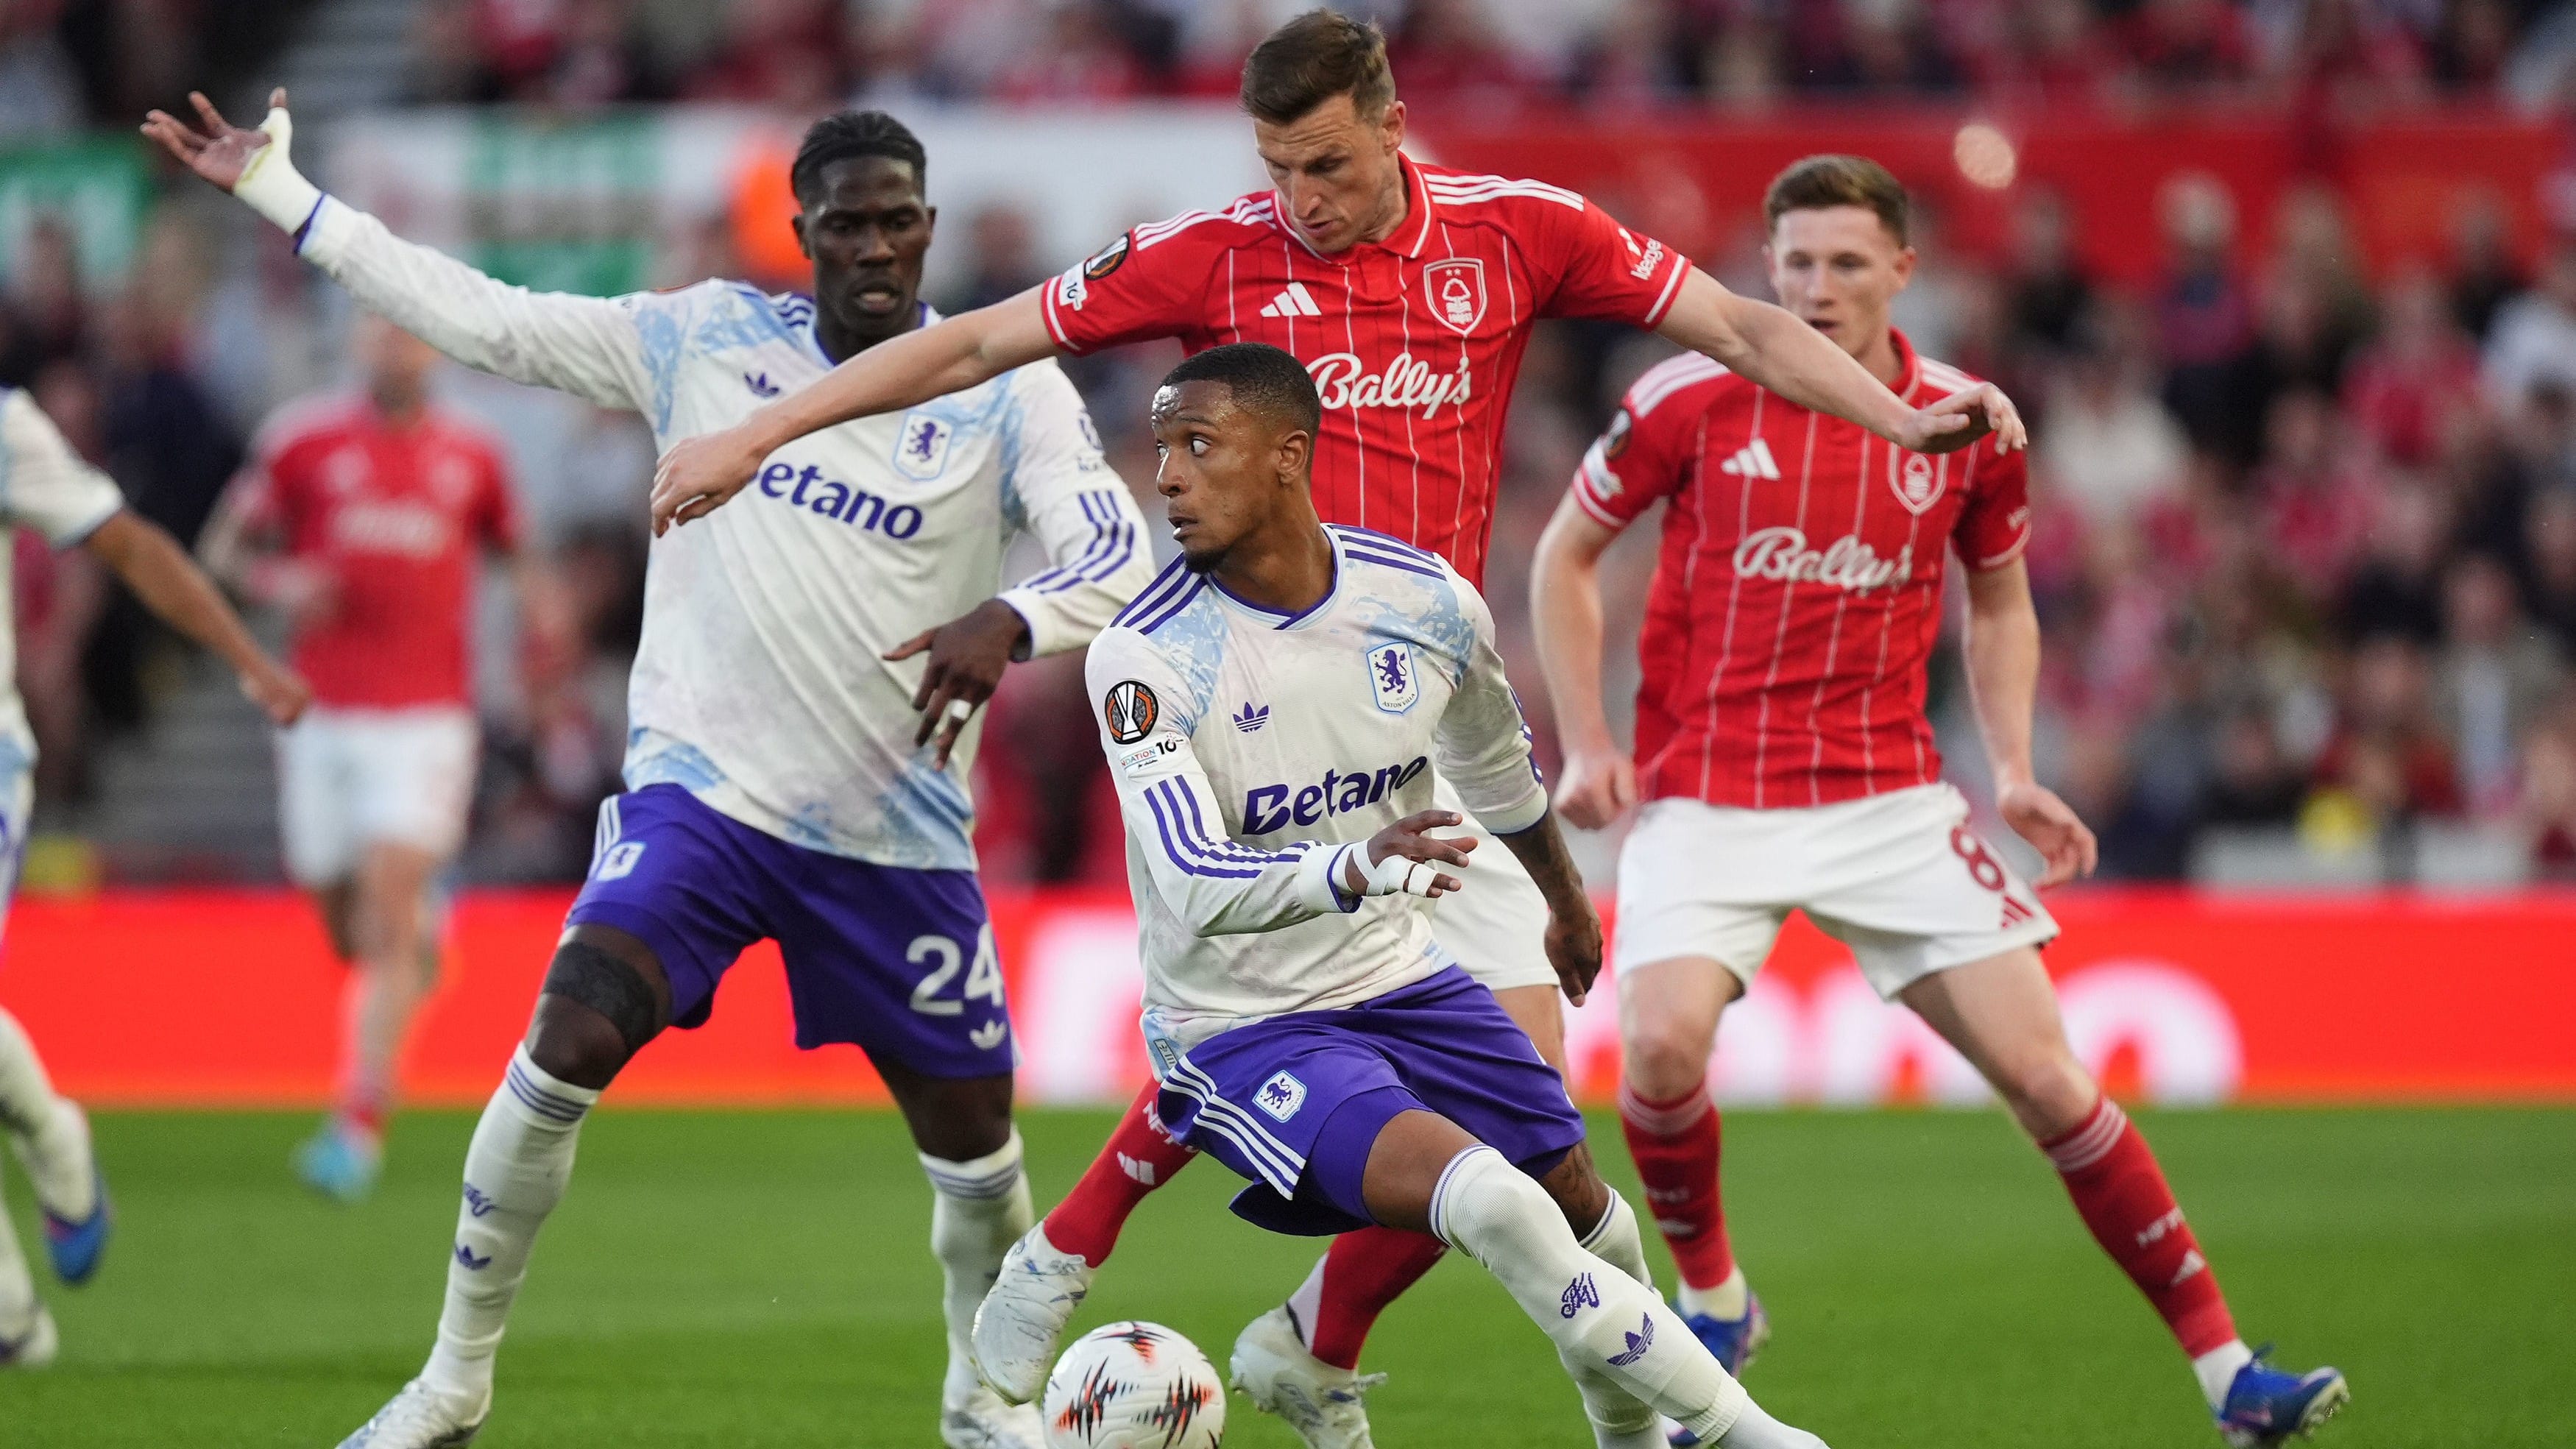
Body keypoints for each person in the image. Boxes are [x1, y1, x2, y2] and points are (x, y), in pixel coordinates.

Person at [645, 13, 2024, 1439]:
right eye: (1278, 166)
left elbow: (1737, 327)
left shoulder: (1518, 232)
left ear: (1388, 118)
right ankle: (1098, 1249)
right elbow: (978, 342)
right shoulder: (1214, 251)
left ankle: (1307, 1340)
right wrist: (760, 434)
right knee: (1283, 1033)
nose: (1302, 198)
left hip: (1418, 717)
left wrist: (1897, 422)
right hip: (1252, 719)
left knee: (1531, 1119)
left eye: (1326, 163)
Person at [146, 93, 1153, 1449]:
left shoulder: (1003, 385)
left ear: (927, 230)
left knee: (978, 1153)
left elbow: (1118, 556)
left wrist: (1013, 617)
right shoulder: (703, 339)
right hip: (708, 803)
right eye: (844, 222)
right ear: (801, 233)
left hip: (896, 831)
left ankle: (981, 1399)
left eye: (896, 222)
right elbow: (482, 316)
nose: (873, 246)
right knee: (563, 1041)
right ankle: (453, 1381)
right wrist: (284, 197)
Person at [1526, 155, 2349, 1449]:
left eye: (1847, 262)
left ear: (1904, 271)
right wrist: (1582, 740)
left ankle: (2230, 1370)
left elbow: (2003, 597)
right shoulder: (1690, 394)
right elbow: (1566, 555)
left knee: (2052, 1082)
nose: (1817, 286)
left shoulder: (1972, 421)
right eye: (1795, 262)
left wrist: (2015, 767)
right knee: (1665, 1055)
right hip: (1709, 789)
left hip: (1890, 793)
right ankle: (1717, 1299)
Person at [1091, 341, 1826, 1449]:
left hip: (1399, 975)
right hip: (1244, 1022)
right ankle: (1752, 1437)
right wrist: (1358, 863)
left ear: (1288, 458)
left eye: (1199, 446)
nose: (1169, 476)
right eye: (1162, 450)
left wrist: (1565, 902)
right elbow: (1193, 881)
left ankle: (1629, 1439)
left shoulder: (1423, 600)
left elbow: (1494, 768)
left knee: (1596, 1219)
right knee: (1485, 1198)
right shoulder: (1145, 653)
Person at [0, 384, 309, 1365]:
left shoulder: (7, 428)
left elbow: (125, 543)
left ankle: (52, 1137)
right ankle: (11, 1315)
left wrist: (244, 657)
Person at [202, 316, 542, 1203]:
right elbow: (223, 553)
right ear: (359, 344)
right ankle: (423, 935)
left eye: (412, 337)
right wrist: (281, 584)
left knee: (386, 906)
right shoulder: (301, 441)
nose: (398, 351)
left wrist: (545, 641)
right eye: (383, 336)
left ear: (434, 347)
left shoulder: (474, 452)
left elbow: (520, 557)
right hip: (321, 716)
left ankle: (357, 1122)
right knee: (341, 915)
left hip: (428, 717)